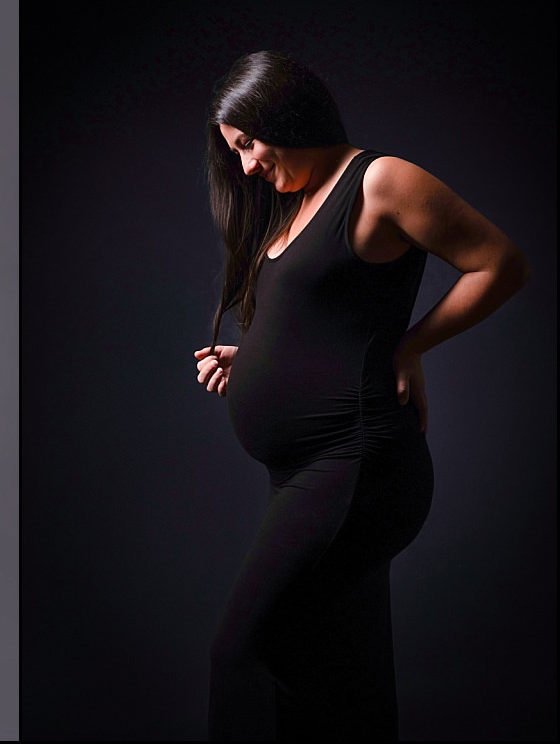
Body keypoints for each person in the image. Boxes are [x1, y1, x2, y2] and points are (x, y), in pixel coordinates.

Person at [193, 50, 530, 740]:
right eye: (236, 153)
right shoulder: (295, 200)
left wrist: (411, 345)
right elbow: (327, 316)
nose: (247, 166)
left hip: (356, 465)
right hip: (305, 472)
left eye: (250, 144)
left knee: (244, 653)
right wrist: (252, 359)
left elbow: (501, 262)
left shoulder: (380, 180)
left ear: (285, 113)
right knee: (339, 674)